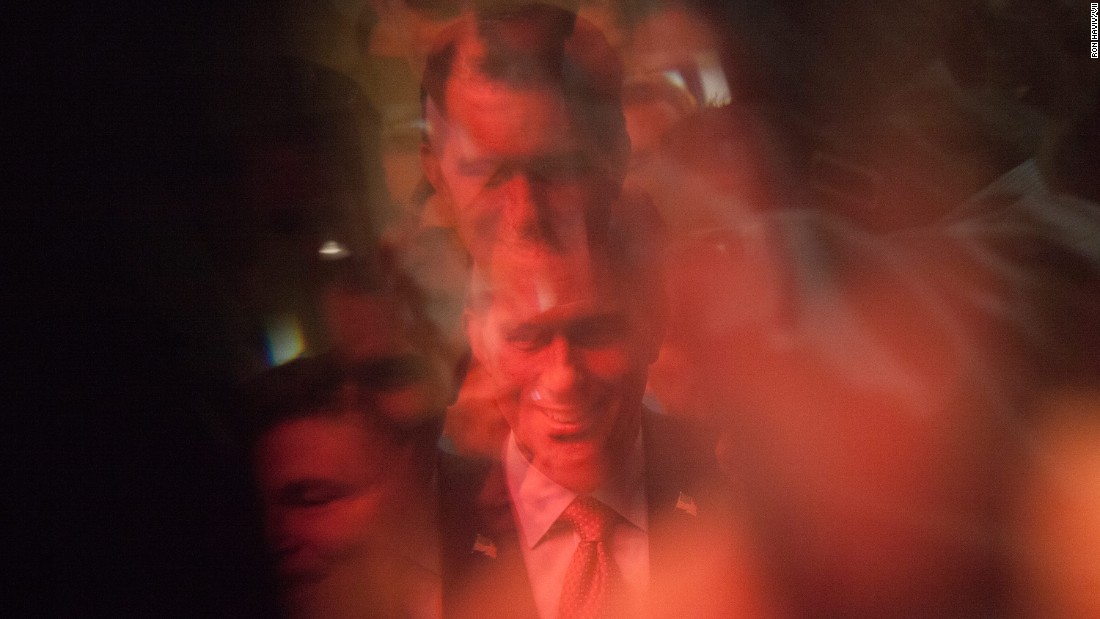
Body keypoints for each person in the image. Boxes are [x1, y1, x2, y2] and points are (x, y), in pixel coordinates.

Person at [416, 4, 777, 617]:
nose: (525, 210)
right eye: (528, 338)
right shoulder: (418, 527)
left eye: (595, 332)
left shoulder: (751, 495)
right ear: (477, 337)